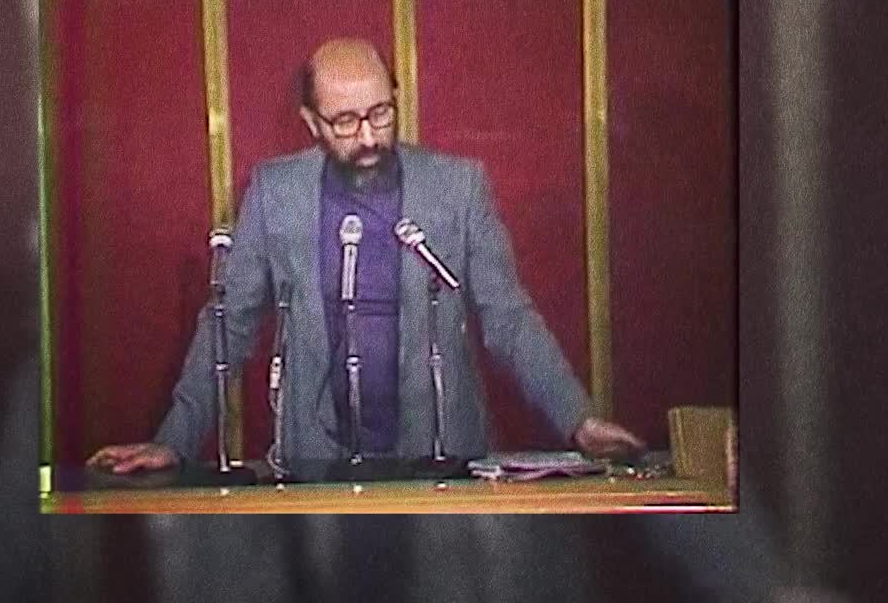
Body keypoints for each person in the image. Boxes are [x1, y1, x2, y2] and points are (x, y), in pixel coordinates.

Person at [87, 38, 643, 474]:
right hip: (315, 464)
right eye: (345, 122)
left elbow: (509, 317)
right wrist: (174, 442)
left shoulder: (458, 188)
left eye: (381, 113)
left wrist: (577, 419)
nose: (370, 137)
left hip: (442, 459)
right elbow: (228, 323)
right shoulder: (275, 192)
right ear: (311, 122)